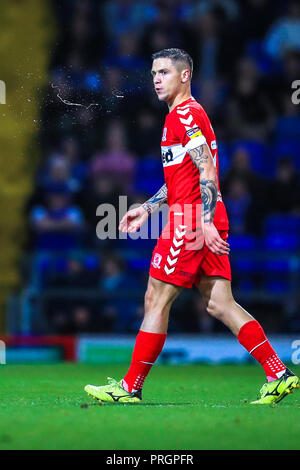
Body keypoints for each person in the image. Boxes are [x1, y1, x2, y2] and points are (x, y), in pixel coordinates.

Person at [85, 48, 299, 404]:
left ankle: (130, 387)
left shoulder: (183, 116)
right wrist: (149, 208)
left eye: (165, 72)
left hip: (190, 220)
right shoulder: (187, 115)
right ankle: (278, 372)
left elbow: (208, 171)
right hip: (202, 216)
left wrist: (202, 222)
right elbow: (183, 176)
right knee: (219, 303)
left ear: (185, 76)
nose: (156, 79)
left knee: (156, 297)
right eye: (154, 72)